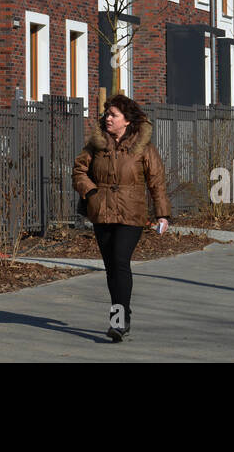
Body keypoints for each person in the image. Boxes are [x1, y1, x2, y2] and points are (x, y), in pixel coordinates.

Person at [72, 94, 171, 342]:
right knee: (110, 268)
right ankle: (122, 313)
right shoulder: (96, 145)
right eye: (106, 114)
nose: (108, 118)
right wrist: (91, 191)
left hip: (131, 213)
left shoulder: (143, 148)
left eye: (113, 115)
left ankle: (119, 320)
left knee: (120, 261)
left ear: (127, 121)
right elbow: (79, 170)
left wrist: (162, 215)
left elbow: (156, 182)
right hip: (101, 211)